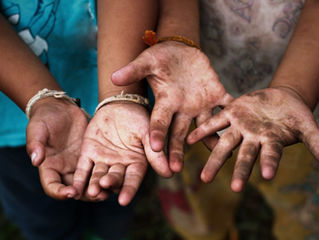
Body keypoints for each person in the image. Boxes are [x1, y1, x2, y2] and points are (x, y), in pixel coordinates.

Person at [108, 0, 319, 239]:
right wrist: (179, 39)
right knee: (201, 188)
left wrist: (294, 89)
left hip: (298, 98)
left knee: (296, 197)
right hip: (195, 95)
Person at [0, 0, 158, 239]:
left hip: (122, 77)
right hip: (14, 111)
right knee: (39, 210)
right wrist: (43, 101)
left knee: (117, 193)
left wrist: (120, 97)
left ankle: (109, 230)